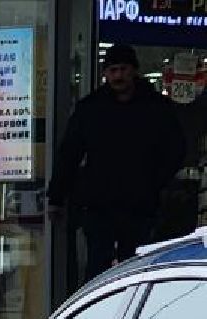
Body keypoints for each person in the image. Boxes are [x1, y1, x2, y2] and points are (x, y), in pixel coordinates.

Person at [49, 43, 188, 284]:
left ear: (134, 71)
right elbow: (69, 154)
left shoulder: (156, 109)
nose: (118, 76)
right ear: (105, 74)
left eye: (123, 69)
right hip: (100, 205)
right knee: (97, 273)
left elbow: (176, 150)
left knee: (138, 269)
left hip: (141, 205)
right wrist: (56, 197)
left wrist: (154, 182)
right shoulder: (91, 110)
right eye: (112, 70)